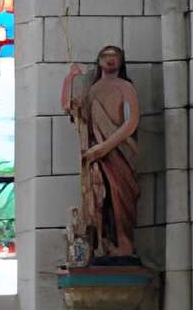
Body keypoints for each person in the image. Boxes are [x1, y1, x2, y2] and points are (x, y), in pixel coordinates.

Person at [60, 43, 142, 265]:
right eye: (105, 56)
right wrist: (70, 79)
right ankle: (103, 244)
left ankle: (124, 243)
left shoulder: (126, 87)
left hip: (120, 153)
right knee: (99, 198)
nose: (110, 59)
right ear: (99, 61)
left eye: (115, 56)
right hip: (97, 158)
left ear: (121, 61)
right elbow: (71, 108)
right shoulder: (93, 90)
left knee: (122, 195)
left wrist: (105, 147)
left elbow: (131, 122)